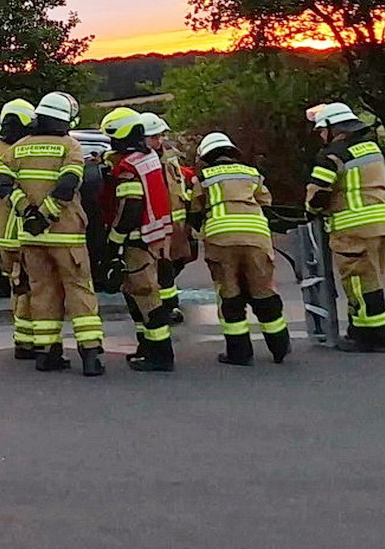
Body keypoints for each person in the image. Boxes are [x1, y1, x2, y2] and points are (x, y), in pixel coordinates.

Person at [0, 91, 105, 376]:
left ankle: (47, 354)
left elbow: (2, 182)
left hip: (31, 238)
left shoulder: (18, 147)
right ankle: (90, 356)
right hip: (66, 237)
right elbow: (68, 184)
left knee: (42, 293)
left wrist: (27, 212)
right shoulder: (70, 146)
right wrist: (46, 214)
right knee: (79, 291)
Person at [190, 131, 290, 365]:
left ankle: (239, 353)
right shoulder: (252, 173)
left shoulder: (203, 177)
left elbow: (195, 209)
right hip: (256, 238)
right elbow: (266, 203)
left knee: (230, 295)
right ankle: (279, 347)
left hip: (221, 240)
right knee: (264, 292)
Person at [305, 102, 385, 352]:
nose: (321, 136)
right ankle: (363, 330)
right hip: (383, 224)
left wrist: (311, 211)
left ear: (335, 128)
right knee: (373, 281)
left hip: (354, 229)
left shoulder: (332, 155)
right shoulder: (372, 148)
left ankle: (369, 337)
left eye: (322, 131)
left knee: (359, 284)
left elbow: (318, 195)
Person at [100, 108, 176, 372]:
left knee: (145, 298)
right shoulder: (149, 157)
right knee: (138, 297)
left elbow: (130, 208)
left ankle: (161, 356)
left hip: (137, 240)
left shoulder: (129, 167)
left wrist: (114, 241)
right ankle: (147, 348)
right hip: (154, 236)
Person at [0, 99, 37, 359]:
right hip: (25, 232)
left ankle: (22, 338)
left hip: (2, 235)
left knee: (17, 286)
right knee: (32, 289)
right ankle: (31, 341)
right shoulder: (21, 151)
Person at [143, 112, 194, 326]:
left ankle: (167, 304)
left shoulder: (169, 155)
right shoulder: (141, 159)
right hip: (155, 223)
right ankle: (164, 308)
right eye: (154, 136)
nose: (160, 140)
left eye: (161, 135)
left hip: (176, 222)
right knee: (161, 268)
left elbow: (179, 180)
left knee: (175, 263)